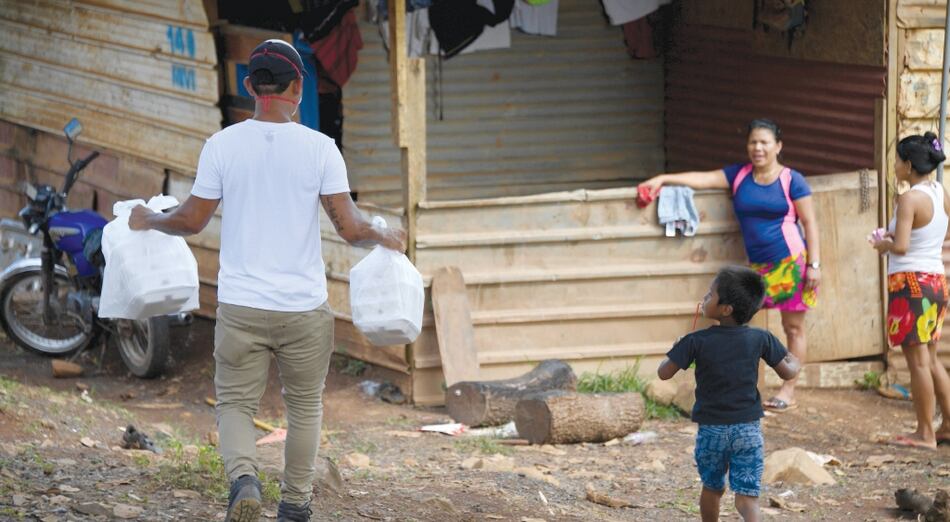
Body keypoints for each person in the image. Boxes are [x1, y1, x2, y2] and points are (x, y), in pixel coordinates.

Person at [129, 39, 406, 522]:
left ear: (249, 85)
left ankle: (244, 481)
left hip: (241, 308)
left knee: (235, 402)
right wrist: (386, 235)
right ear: (298, 86)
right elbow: (350, 227)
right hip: (303, 309)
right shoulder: (321, 149)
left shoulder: (222, 146)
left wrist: (147, 219)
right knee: (304, 409)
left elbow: (191, 220)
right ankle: (295, 506)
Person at [639, 118, 818, 412]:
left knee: (793, 328)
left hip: (791, 263)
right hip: (756, 266)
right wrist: (663, 179)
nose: (757, 148)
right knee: (744, 326)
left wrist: (815, 264)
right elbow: (702, 178)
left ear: (778, 146)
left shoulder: (791, 180)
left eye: (764, 142)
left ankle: (788, 389)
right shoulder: (739, 175)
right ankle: (751, 388)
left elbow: (810, 222)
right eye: (753, 142)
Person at [658, 266, 801, 522]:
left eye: (710, 295)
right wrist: (796, 361)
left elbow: (664, 373)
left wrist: (677, 348)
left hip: (711, 430)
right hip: (747, 429)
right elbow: (789, 372)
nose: (704, 298)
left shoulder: (695, 341)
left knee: (712, 488)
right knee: (747, 497)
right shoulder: (761, 338)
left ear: (726, 309)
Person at [870, 131, 950, 449]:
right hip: (935, 281)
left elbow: (900, 246)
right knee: (930, 359)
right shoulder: (940, 193)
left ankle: (925, 433)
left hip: (911, 283)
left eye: (896, 161)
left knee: (917, 362)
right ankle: (945, 426)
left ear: (907, 163)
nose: (894, 167)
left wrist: (881, 243)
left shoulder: (909, 198)